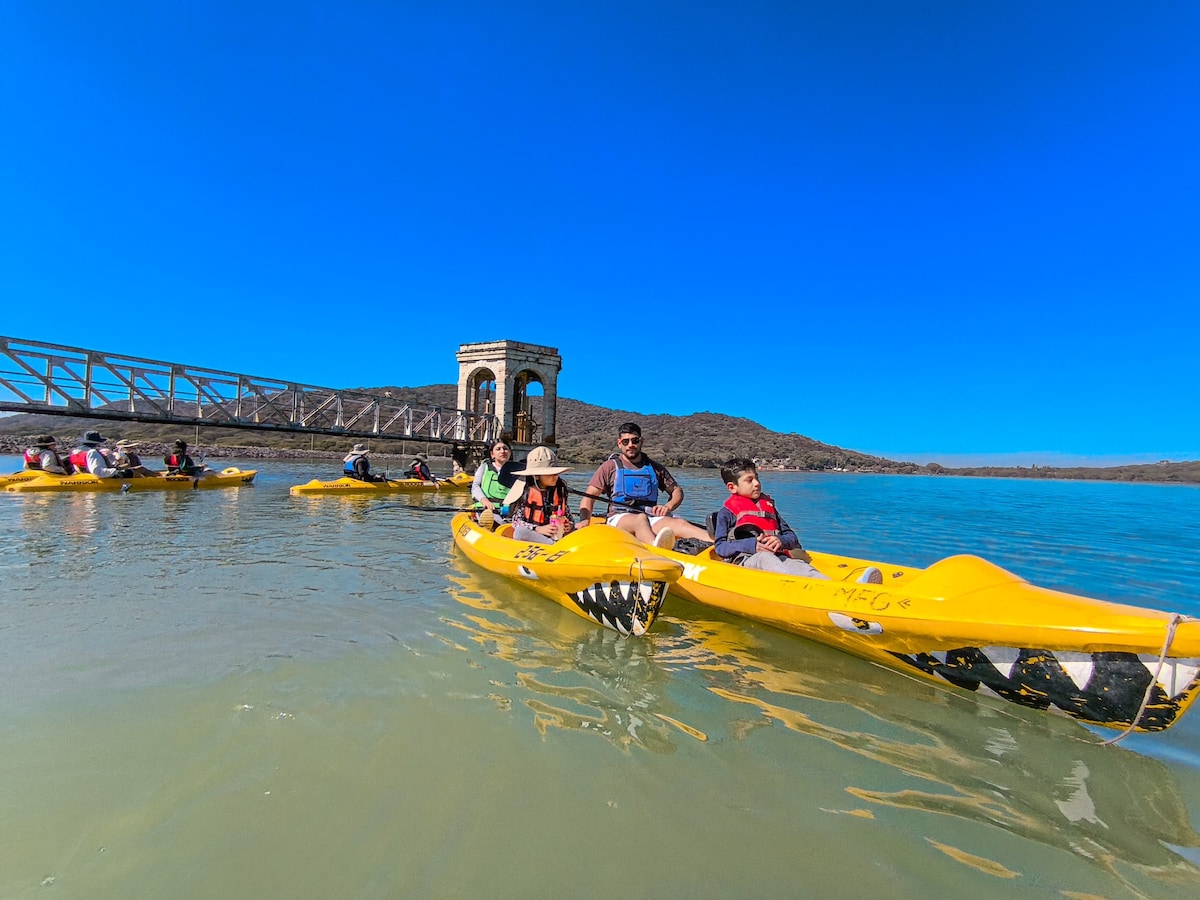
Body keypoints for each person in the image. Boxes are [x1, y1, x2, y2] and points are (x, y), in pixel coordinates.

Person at [713, 457, 882, 583]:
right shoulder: (726, 513)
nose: (757, 483)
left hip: (779, 558)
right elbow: (720, 547)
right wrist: (753, 545)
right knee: (766, 559)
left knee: (802, 567)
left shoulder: (769, 507)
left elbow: (792, 538)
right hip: (747, 561)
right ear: (732, 487)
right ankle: (796, 589)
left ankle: (841, 590)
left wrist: (779, 540)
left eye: (757, 478)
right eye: (749, 480)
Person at [577, 421, 711, 549]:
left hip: (650, 517)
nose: (630, 445)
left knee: (679, 524)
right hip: (619, 519)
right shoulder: (609, 467)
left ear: (641, 441)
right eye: (625, 441)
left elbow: (677, 491)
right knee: (639, 520)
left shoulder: (655, 468)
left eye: (634, 440)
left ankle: (720, 546)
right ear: (619, 444)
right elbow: (589, 496)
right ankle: (657, 548)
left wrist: (668, 507)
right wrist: (585, 521)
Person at [504, 446, 575, 544]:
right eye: (550, 474)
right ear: (536, 476)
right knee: (520, 532)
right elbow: (516, 522)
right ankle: (554, 545)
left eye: (556, 473)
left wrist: (569, 525)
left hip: (557, 535)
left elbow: (569, 517)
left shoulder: (559, 490)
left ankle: (557, 544)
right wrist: (538, 529)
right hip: (536, 535)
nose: (555, 477)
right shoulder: (525, 492)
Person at [471, 438, 519, 523]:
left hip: (508, 510)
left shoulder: (518, 471)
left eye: (505, 449)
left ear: (510, 453)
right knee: (496, 521)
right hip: (486, 508)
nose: (502, 451)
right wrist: (485, 501)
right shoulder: (485, 467)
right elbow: (475, 486)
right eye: (498, 449)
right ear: (492, 454)